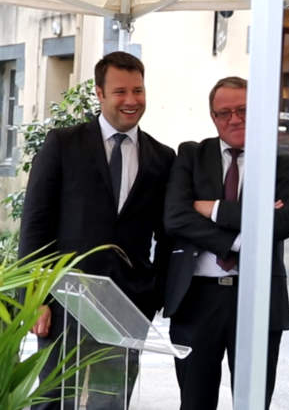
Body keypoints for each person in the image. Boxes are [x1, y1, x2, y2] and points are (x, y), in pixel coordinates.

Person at [19, 51, 176, 409]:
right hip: (63, 301)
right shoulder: (63, 144)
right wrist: (35, 299)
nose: (131, 100)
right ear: (100, 93)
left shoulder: (162, 158)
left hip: (127, 305)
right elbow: (35, 225)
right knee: (53, 399)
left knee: (111, 401)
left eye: (138, 90)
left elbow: (167, 236)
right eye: (120, 91)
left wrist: (153, 294)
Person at [163, 76, 289, 409]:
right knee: (194, 403)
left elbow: (284, 222)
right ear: (213, 117)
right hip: (196, 299)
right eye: (224, 113)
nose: (234, 119)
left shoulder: (282, 164)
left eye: (243, 110)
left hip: (258, 297)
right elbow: (176, 218)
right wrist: (243, 239)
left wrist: (213, 209)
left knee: (253, 403)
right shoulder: (191, 155)